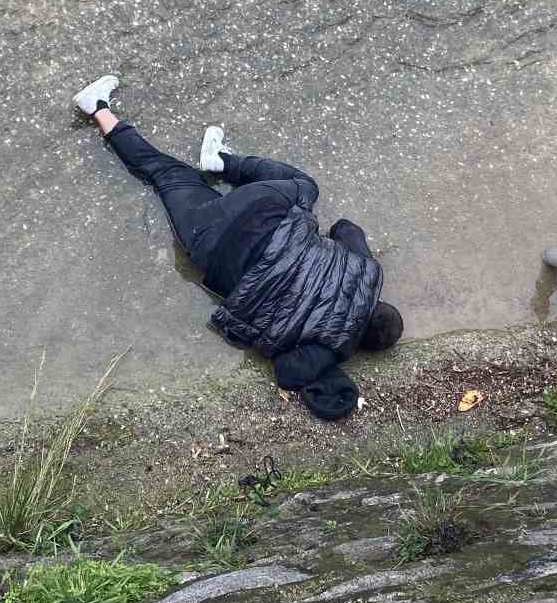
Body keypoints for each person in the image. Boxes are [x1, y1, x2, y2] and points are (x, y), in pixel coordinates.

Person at [72, 74, 404, 421]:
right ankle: (98, 108)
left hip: (261, 210)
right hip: (214, 248)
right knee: (164, 174)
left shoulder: (367, 271)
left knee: (306, 186)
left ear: (379, 302)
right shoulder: (328, 348)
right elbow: (290, 372)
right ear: (361, 346)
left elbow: (346, 228)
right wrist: (331, 359)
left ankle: (224, 163)